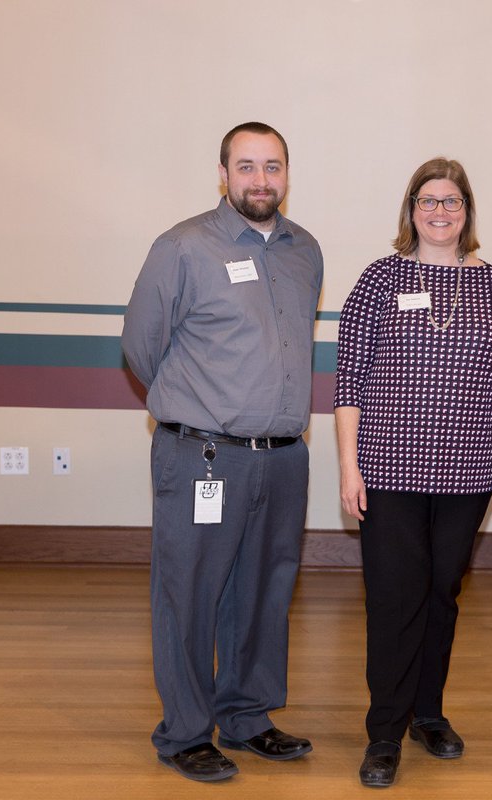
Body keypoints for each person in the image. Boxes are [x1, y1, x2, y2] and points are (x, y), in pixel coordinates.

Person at [121, 121, 323, 783]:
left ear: (286, 174)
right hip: (203, 456)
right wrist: (196, 406)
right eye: (247, 166)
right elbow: (141, 347)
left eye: (273, 166)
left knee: (265, 591)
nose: (261, 180)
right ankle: (184, 732)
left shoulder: (305, 250)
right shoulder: (183, 247)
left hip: (284, 457)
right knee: (189, 594)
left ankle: (246, 716)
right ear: (223, 174)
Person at [334, 157, 492, 788]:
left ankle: (428, 713)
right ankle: (384, 732)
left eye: (451, 201)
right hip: (388, 470)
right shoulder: (379, 279)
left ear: (466, 211)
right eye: (428, 200)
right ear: (411, 210)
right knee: (395, 596)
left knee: (442, 592)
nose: (439, 212)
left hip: (469, 473)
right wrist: (348, 468)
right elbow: (348, 382)